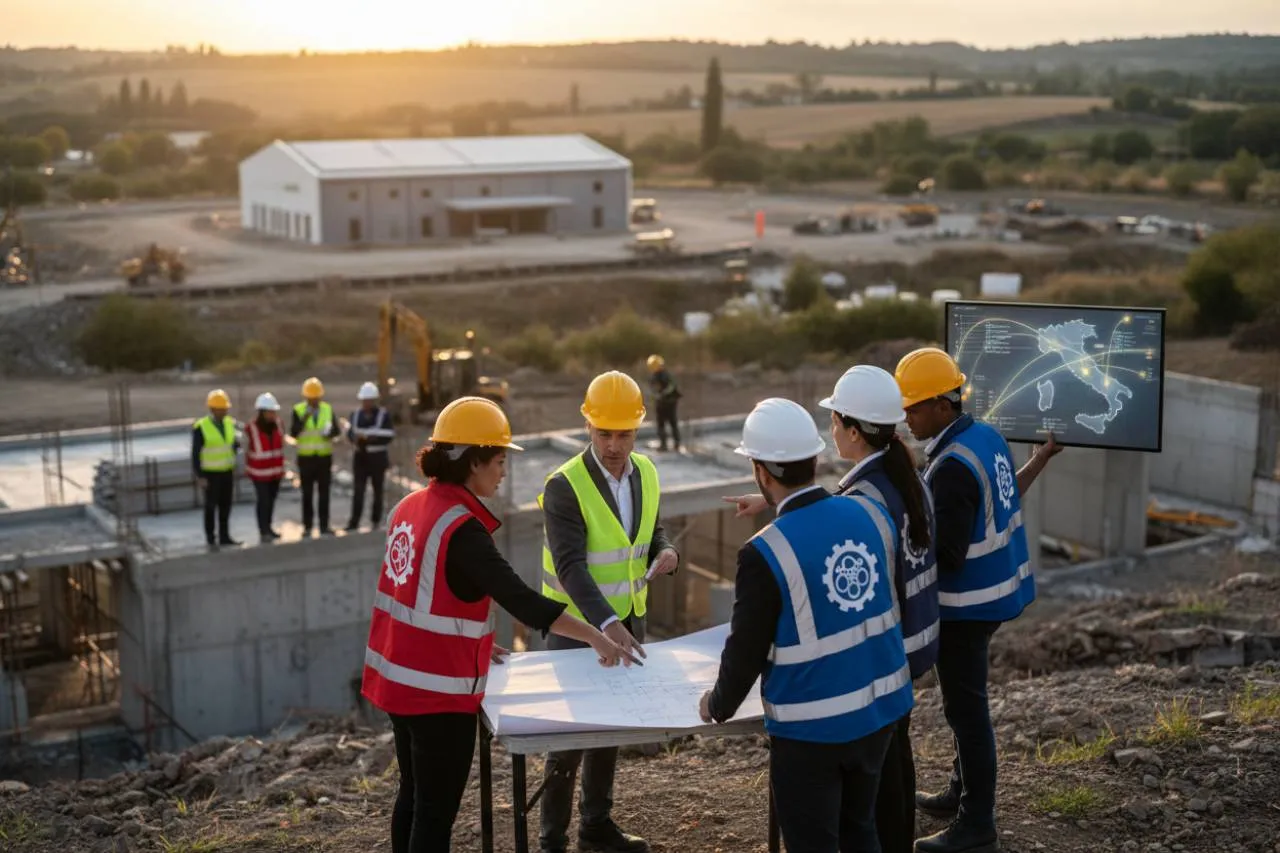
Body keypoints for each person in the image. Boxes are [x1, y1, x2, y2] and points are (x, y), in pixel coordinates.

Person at [361, 396, 637, 853]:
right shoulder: (463, 528)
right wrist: (595, 635)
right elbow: (525, 602)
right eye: (499, 460)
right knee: (434, 813)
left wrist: (468, 641)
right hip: (436, 695)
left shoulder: (410, 506)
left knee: (412, 796)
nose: (504, 471)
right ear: (473, 463)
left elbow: (417, 592)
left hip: (396, 679)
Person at [725, 366, 940, 853]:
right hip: (891, 679)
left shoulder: (861, 502)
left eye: (838, 420)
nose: (833, 428)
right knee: (870, 817)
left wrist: (718, 702)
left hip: (839, 702)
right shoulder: (893, 488)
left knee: (850, 822)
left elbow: (748, 649)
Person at [893, 347, 1060, 853]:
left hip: (968, 607)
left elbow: (947, 553)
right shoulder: (984, 436)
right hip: (999, 592)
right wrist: (1039, 459)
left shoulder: (951, 469)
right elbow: (1007, 497)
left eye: (915, 408)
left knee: (966, 713)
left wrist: (897, 548)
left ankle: (976, 823)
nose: (907, 418)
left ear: (945, 405)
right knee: (965, 708)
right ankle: (959, 792)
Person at [538, 370, 680, 853]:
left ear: (637, 429)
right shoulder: (564, 486)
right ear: (588, 427)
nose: (615, 445)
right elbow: (571, 567)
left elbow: (651, 531)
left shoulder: (647, 471)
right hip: (576, 628)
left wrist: (668, 553)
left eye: (624, 434)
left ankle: (595, 826)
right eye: (605, 434)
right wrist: (606, 626)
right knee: (571, 738)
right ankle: (552, 840)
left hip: (627, 620)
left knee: (610, 730)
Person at [290, 376, 341, 536]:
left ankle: (324, 526)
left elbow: (337, 430)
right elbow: (294, 432)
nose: (314, 401)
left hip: (324, 458)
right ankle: (307, 526)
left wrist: (330, 433)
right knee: (307, 494)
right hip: (306, 459)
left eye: (316, 398)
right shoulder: (298, 410)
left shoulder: (327, 409)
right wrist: (305, 417)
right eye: (311, 398)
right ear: (306, 397)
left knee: (324, 493)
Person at [191, 389, 241, 549]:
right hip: (210, 474)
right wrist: (200, 476)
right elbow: (195, 453)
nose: (225, 411)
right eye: (222, 408)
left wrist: (235, 447)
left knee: (226, 505)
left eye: (226, 408)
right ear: (212, 409)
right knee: (211, 506)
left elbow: (230, 444)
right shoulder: (201, 427)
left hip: (227, 471)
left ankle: (225, 536)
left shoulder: (229, 423)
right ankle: (211, 538)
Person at [347, 381, 395, 531]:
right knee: (358, 490)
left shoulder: (383, 415)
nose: (366, 403)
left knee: (377, 490)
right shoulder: (355, 415)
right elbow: (350, 432)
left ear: (374, 400)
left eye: (368, 400)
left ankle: (375, 521)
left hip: (377, 458)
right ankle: (354, 523)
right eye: (364, 400)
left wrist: (370, 438)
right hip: (360, 457)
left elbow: (389, 434)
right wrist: (355, 438)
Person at [245, 392, 286, 544]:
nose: (273, 415)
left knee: (271, 501)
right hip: (259, 473)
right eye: (270, 412)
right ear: (261, 412)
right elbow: (246, 448)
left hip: (275, 472)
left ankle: (269, 528)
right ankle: (263, 531)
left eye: (274, 412)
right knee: (263, 501)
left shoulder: (279, 424)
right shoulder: (251, 428)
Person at [645, 354, 682, 453]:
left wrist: (661, 394)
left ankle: (666, 445)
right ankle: (675, 444)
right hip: (667, 402)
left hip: (666, 403)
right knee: (671, 423)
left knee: (664, 423)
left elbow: (670, 387)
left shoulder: (661, 376)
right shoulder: (664, 374)